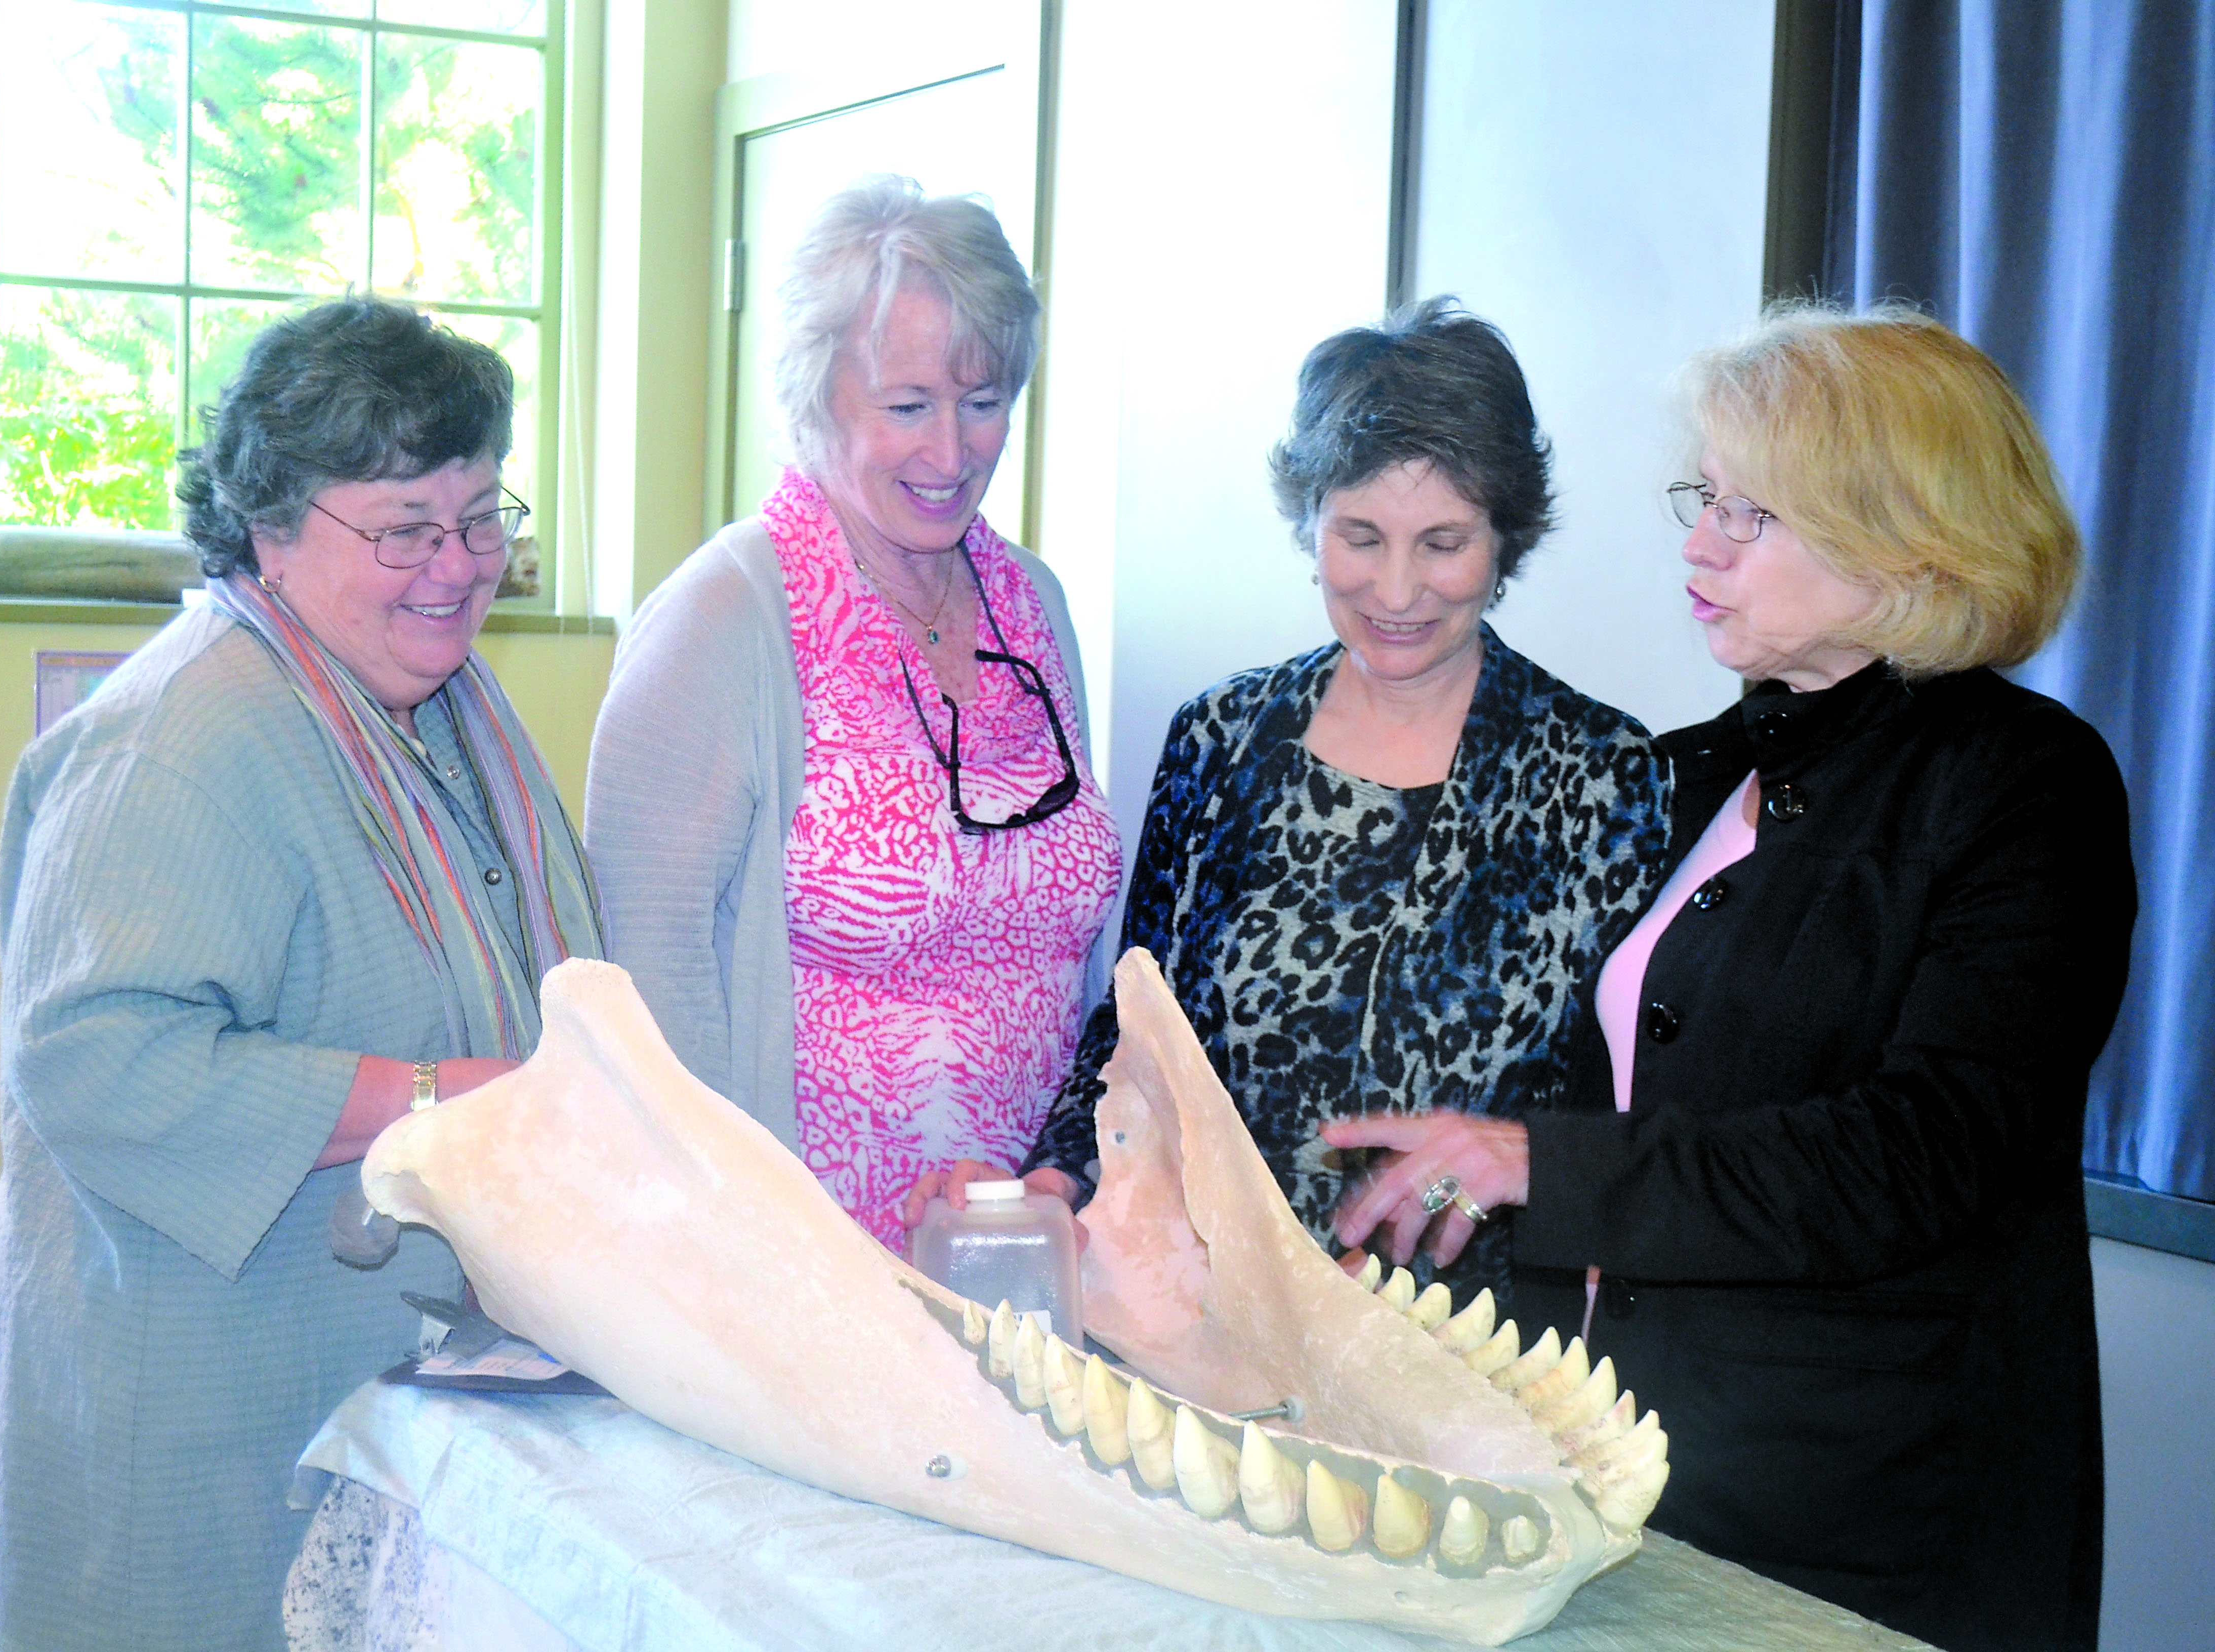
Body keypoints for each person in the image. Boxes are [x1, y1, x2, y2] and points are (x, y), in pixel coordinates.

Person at [1327, 307, 2133, 1652]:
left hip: (1867, 1521)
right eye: (1703, 501)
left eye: (1748, 516)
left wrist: (1541, 1164)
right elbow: (1594, 1098)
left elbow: (1918, 1157)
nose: (1698, 546)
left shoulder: (2027, 786)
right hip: (1619, 1478)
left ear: (1902, 535)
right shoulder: (1689, 770)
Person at [0, 298, 602, 1652]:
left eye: (480, 518)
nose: (456, 566)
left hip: (360, 1373)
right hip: (188, 1389)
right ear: (271, 526)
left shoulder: (433, 696)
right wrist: (452, 1094)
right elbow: (100, 1064)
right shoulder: (179, 737)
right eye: (404, 527)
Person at [1009, 299, 1670, 1301]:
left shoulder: (1604, 772)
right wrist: (1059, 1174)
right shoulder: (1220, 739)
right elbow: (1135, 1029)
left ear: (1504, 541)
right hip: (1209, 1317)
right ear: (1309, 521)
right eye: (1360, 536)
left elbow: (1626, 1107)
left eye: (1443, 542)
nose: (1396, 591)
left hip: (1471, 1355)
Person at [584, 176, 1119, 1252]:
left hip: (1024, 1244)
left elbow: (1082, 964)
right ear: (813, 396)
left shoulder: (1034, 604)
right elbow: (644, 999)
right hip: (800, 1260)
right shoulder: (723, 619)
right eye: (907, 405)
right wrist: (732, 1253)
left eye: (984, 402)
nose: (954, 452)